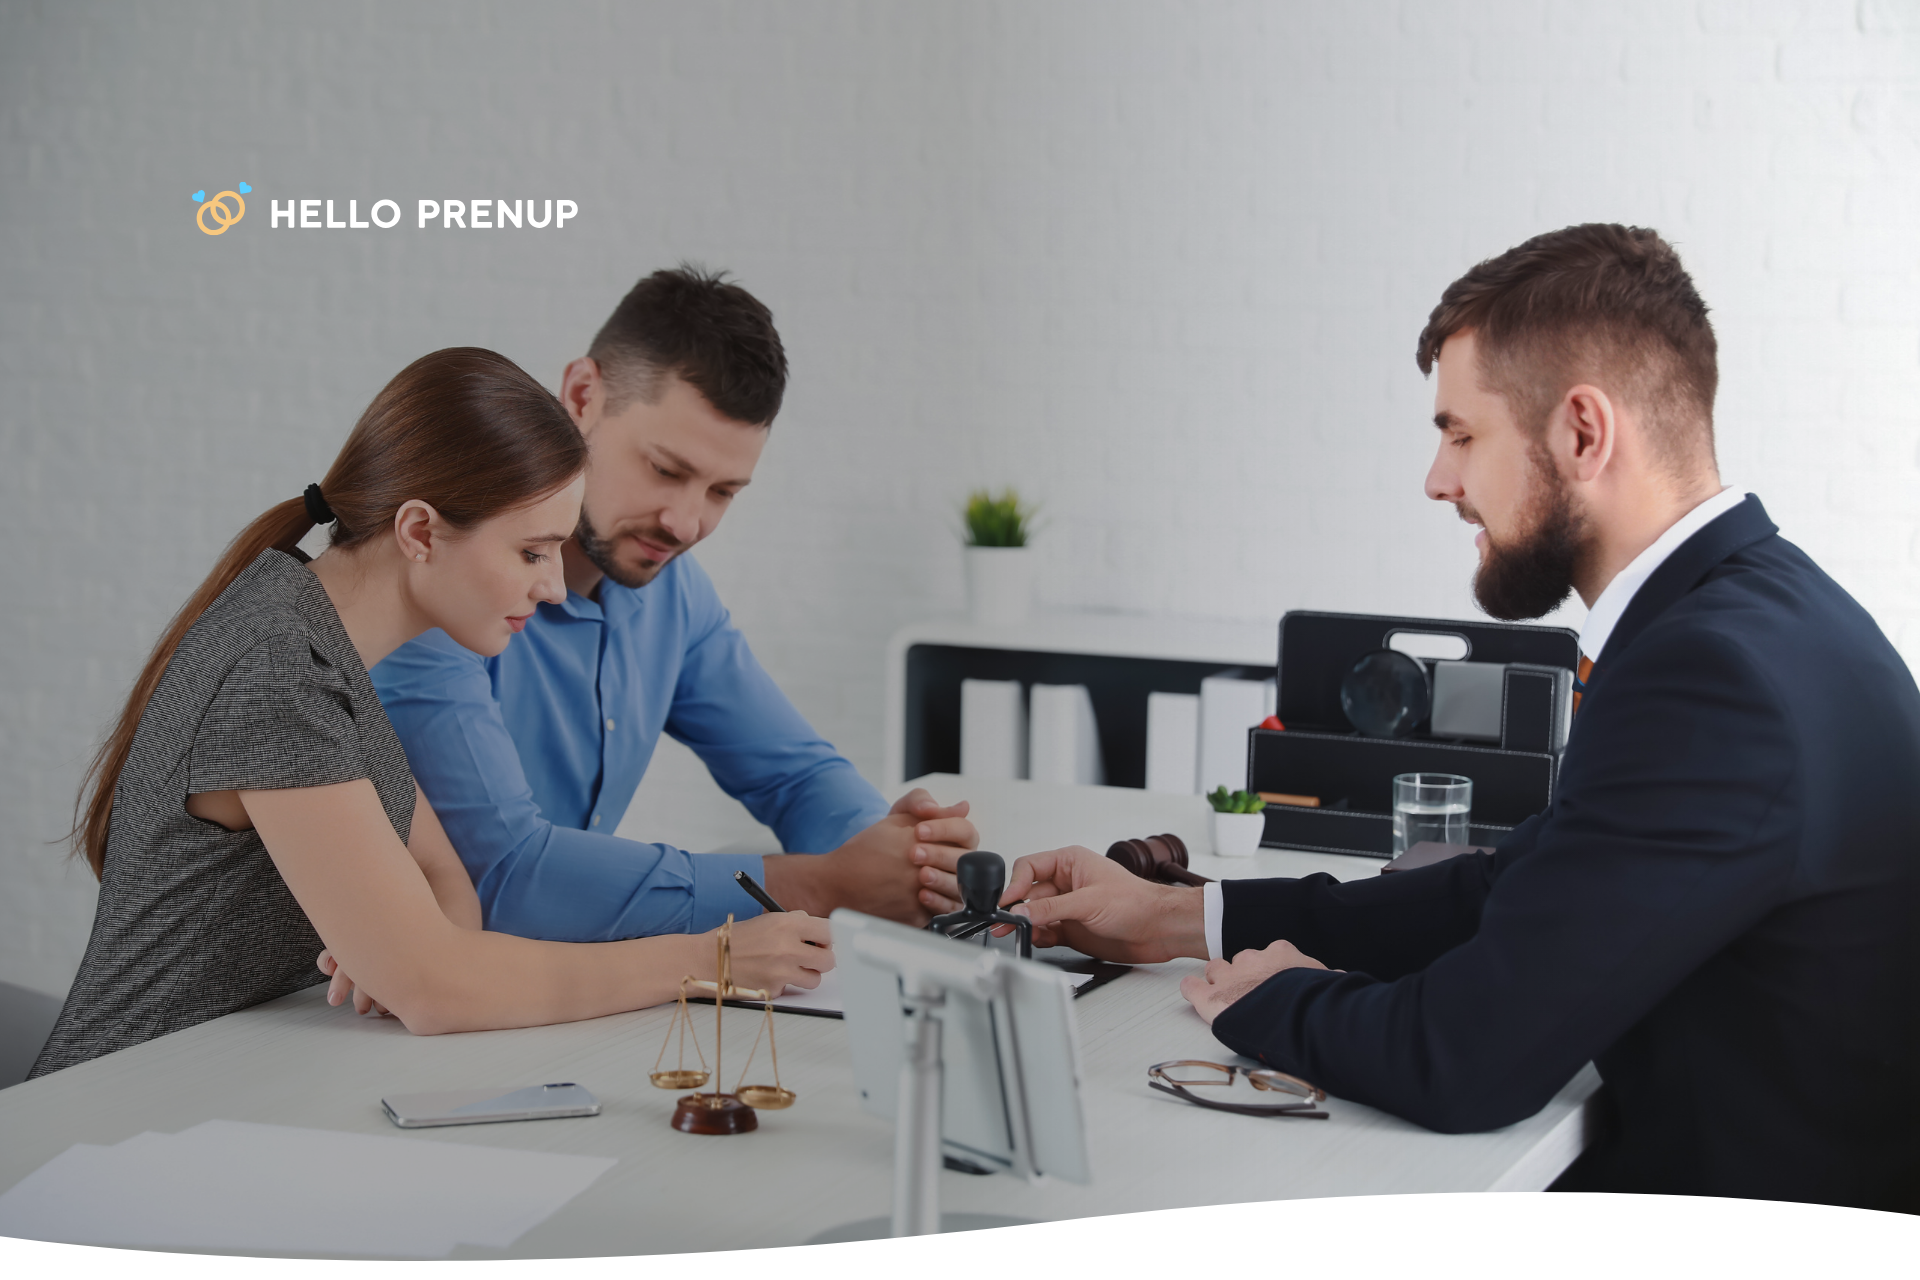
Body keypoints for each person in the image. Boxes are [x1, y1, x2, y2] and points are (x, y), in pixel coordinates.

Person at [996, 225, 1920, 1209]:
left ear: (1581, 431)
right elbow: (1518, 884)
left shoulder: (1708, 673)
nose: (1439, 479)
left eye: (1462, 434)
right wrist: (1187, 915)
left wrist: (1274, 997)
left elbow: (1464, 1060)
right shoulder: (1774, 610)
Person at [31, 349, 831, 1078]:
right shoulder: (281, 674)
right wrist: (707, 959)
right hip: (116, 1112)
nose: (553, 587)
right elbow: (440, 988)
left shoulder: (328, 641)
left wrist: (405, 952)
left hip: (235, 1081)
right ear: (419, 531)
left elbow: (450, 884)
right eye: (530, 552)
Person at [371, 266, 973, 944]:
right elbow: (504, 879)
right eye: (665, 469)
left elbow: (795, 775)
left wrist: (907, 860)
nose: (687, 523)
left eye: (723, 492)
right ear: (581, 396)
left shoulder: (671, 595)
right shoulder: (440, 582)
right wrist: (817, 884)